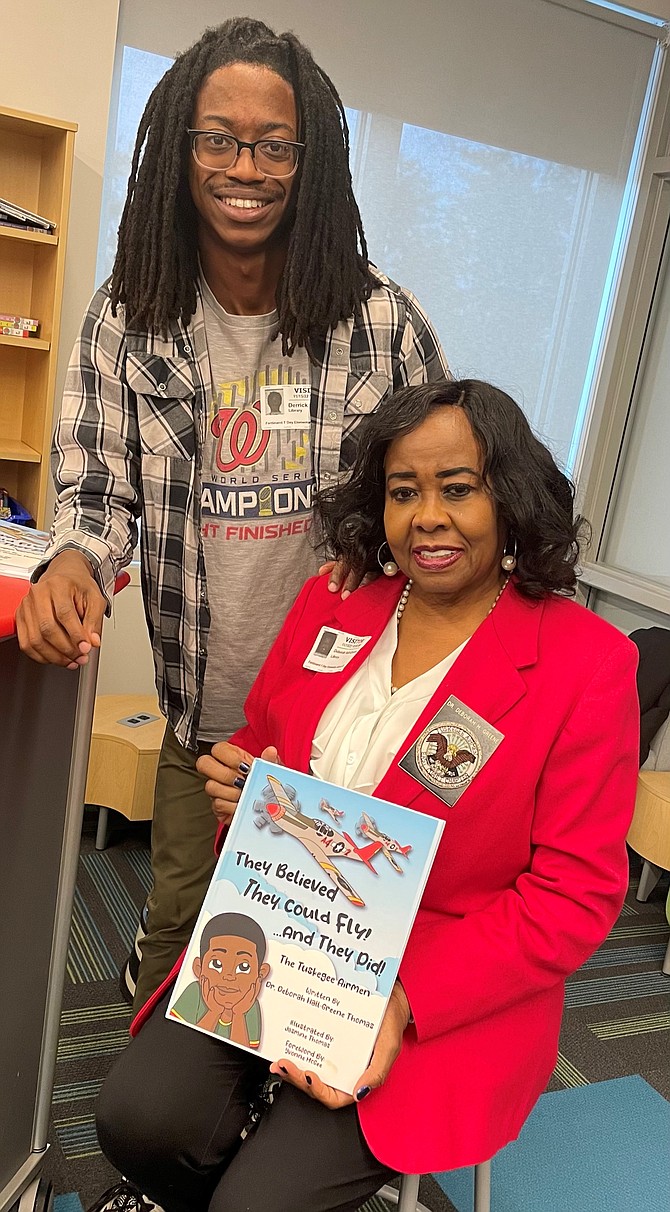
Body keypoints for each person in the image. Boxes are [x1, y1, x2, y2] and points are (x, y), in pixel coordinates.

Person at [91, 379, 639, 1212]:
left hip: (440, 984)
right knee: (136, 1123)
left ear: (511, 495)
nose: (427, 516)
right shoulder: (335, 603)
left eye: (457, 488)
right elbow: (264, 745)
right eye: (402, 491)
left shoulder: (585, 665)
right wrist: (238, 791)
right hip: (286, 942)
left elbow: (574, 896)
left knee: (259, 1203)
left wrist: (402, 1001)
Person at [14, 17, 449, 1011]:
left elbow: (441, 504)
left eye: (273, 143)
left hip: (342, 728)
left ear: (311, 160)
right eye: (217, 137)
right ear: (179, 147)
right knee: (182, 936)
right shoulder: (127, 314)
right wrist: (74, 565)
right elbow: (94, 491)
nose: (243, 166)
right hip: (202, 722)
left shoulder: (378, 322)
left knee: (312, 960)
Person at [168, 912, 270, 1046]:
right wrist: (214, 1011)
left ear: (260, 973)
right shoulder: (195, 992)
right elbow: (183, 1043)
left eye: (244, 967)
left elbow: (243, 1053)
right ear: (199, 968)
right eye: (217, 964)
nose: (229, 976)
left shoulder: (251, 1006)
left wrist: (238, 1015)